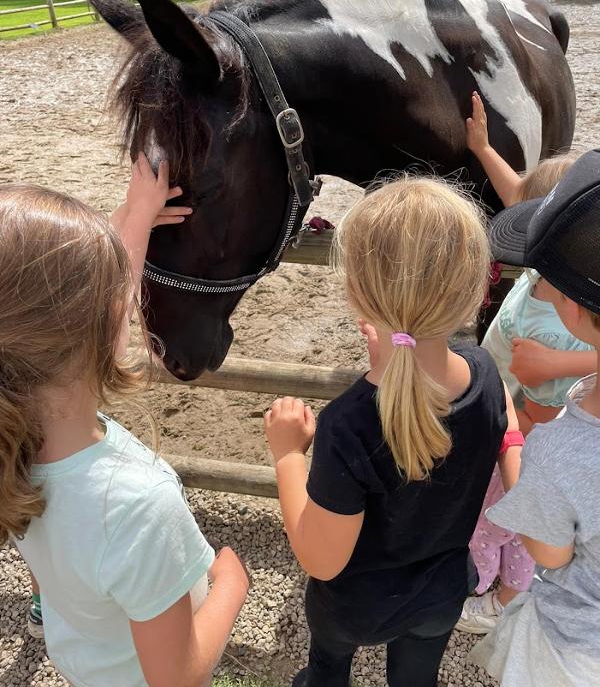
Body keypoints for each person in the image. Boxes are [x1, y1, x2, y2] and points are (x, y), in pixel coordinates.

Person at [3, 156, 249, 686]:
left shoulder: (15, 434)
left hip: (86, 660)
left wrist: (135, 216)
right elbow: (176, 678)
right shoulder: (136, 507)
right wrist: (232, 583)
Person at [264, 176, 513, 687]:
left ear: (357, 294)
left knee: (327, 671)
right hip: (441, 595)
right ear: (474, 288)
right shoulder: (487, 375)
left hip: (353, 607)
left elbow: (321, 561)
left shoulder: (349, 424)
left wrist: (287, 455)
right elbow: (485, 411)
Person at [456, 93, 595, 634]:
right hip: (514, 416)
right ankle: (509, 589)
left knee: (497, 522)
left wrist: (553, 367)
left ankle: (489, 592)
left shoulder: (563, 314)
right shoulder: (552, 274)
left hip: (519, 429)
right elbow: (518, 192)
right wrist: (483, 148)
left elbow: (540, 412)